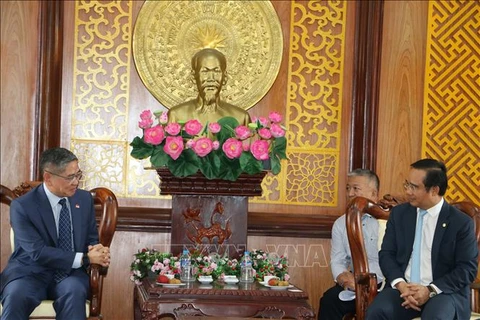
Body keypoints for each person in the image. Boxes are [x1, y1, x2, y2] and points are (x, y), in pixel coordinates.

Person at [0, 147, 111, 320]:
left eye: (78, 174)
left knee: (74, 291)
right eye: (70, 177)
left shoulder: (83, 200)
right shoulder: (22, 206)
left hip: (70, 275)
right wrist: (85, 258)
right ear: (48, 178)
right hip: (30, 272)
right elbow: (37, 252)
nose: (76, 182)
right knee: (16, 295)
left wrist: (99, 252)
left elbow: (91, 240)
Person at [366, 159, 478, 320]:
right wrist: (401, 285)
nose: (408, 191)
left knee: (436, 316)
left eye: (414, 187)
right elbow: (387, 254)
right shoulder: (399, 215)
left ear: (434, 190)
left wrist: (429, 290)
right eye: (407, 185)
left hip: (443, 292)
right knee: (376, 312)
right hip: (404, 289)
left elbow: (467, 269)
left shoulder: (460, 223)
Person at [318, 169, 383, 320]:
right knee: (329, 300)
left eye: (356, 188)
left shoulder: (386, 222)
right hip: (354, 285)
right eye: (348, 188)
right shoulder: (341, 223)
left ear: (374, 194)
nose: (350, 193)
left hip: (383, 285)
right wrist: (343, 278)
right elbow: (337, 260)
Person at [168, 48, 251, 126]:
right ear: (193, 77)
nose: (211, 78)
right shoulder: (176, 115)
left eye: (216, 71)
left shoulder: (241, 118)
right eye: (205, 71)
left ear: (225, 77)